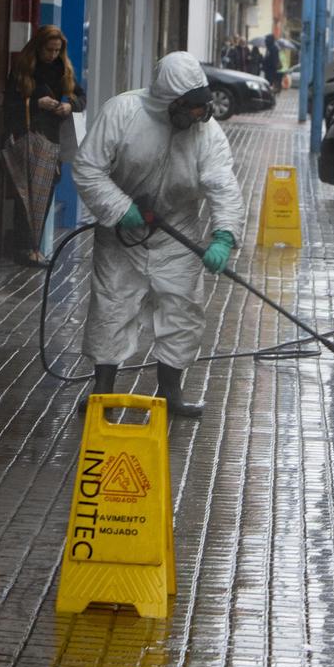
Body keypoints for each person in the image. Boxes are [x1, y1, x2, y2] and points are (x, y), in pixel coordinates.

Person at [72, 52, 245, 418]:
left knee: (181, 309)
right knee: (112, 306)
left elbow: (222, 185)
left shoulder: (206, 133)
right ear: (170, 101)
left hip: (177, 229)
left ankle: (170, 394)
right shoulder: (122, 113)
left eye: (203, 107)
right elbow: (88, 168)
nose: (201, 115)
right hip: (121, 233)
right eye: (193, 108)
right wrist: (121, 210)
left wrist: (224, 235)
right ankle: (102, 393)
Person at [3, 25, 84, 267]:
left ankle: (34, 247)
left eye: (57, 50)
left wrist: (70, 106)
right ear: (39, 47)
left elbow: (80, 97)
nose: (53, 55)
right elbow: (9, 102)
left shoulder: (64, 70)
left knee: (45, 195)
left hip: (52, 140)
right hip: (27, 137)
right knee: (25, 193)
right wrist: (36, 103)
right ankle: (25, 247)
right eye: (49, 50)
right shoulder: (23, 70)